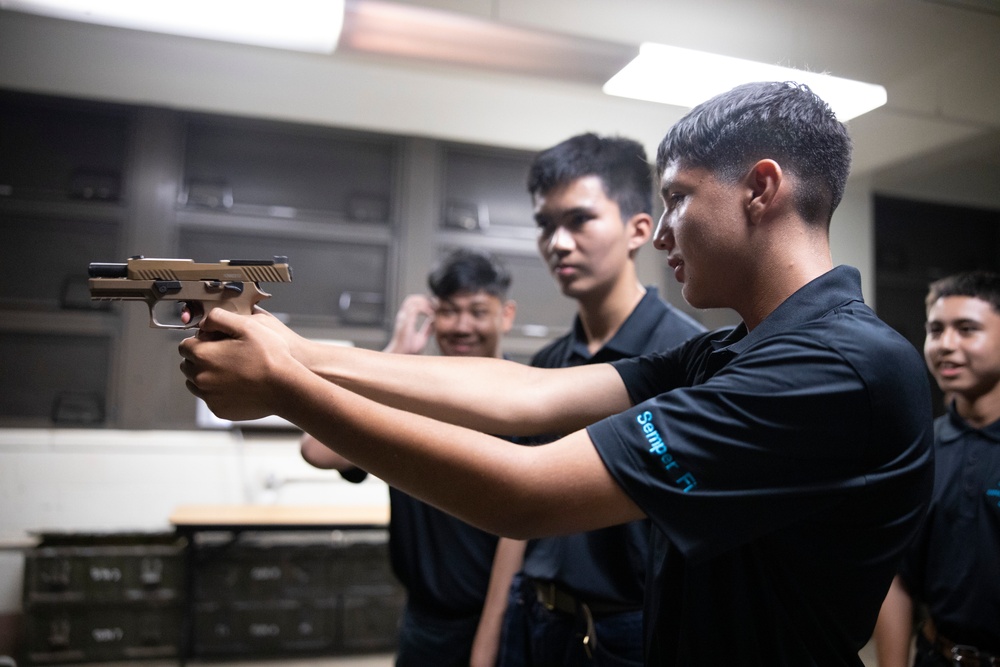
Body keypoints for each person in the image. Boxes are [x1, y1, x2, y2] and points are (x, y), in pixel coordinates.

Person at [179, 81, 934, 665]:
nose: (662, 230)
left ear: (761, 189)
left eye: (676, 198)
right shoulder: (737, 349)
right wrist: (294, 347)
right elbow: (529, 394)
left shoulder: (832, 368)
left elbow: (526, 493)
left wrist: (285, 386)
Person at [488, 133, 704, 667]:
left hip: (626, 632)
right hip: (534, 618)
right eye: (545, 225)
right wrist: (489, 639)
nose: (557, 243)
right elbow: (521, 514)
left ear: (637, 230)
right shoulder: (547, 366)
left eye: (579, 220)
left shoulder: (686, 358)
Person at [301, 248, 518, 667]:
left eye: (477, 311)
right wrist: (397, 350)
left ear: (505, 315)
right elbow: (317, 450)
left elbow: (522, 537)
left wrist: (487, 645)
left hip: (503, 620)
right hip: (425, 622)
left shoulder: (525, 401)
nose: (462, 327)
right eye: (450, 312)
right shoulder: (408, 397)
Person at [873, 271, 1000, 667]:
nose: (945, 345)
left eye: (966, 329)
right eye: (935, 329)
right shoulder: (916, 449)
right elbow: (897, 577)